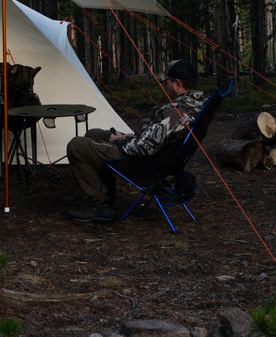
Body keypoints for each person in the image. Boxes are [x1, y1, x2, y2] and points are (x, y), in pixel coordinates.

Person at [65, 58, 206, 223]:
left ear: (178, 84)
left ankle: (101, 206)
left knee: (76, 146)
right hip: (159, 158)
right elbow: (155, 139)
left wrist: (119, 141)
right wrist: (132, 137)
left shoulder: (174, 112)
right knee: (94, 134)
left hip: (142, 163)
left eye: (166, 82)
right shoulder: (196, 105)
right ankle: (105, 193)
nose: (164, 87)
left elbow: (144, 149)